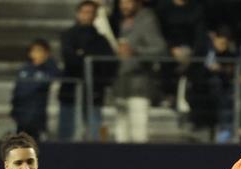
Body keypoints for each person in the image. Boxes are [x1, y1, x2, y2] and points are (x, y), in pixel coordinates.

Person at [111, 0, 166, 143]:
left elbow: (159, 49)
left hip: (139, 84)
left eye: (128, 2)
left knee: (139, 134)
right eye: (122, 2)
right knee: (120, 134)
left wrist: (135, 51)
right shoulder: (122, 20)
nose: (124, 6)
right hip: (122, 84)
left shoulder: (146, 19)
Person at [58, 0, 113, 141]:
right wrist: (85, 58)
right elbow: (70, 59)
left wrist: (82, 54)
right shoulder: (68, 35)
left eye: (90, 13)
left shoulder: (101, 40)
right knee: (66, 134)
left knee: (95, 133)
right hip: (70, 91)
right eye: (84, 12)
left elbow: (105, 63)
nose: (87, 16)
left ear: (95, 16)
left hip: (94, 91)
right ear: (78, 14)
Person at [10, 39, 59, 141]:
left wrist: (49, 62)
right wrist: (15, 109)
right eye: (34, 51)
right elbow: (17, 91)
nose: (37, 54)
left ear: (46, 53)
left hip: (37, 116)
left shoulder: (49, 69)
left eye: (40, 51)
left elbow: (54, 76)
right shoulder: (25, 69)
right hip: (21, 114)